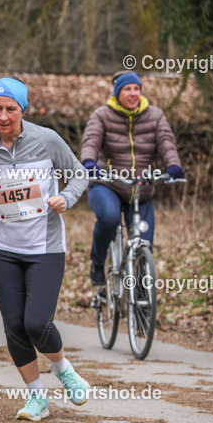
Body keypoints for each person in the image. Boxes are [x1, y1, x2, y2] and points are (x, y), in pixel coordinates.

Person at [0, 78, 91, 422]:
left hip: (45, 247)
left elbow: (79, 175)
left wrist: (64, 198)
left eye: (11, 108)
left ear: (22, 110)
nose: (4, 116)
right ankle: (37, 398)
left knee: (36, 322)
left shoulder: (47, 140)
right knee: (13, 326)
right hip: (3, 248)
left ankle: (64, 369)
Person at [81, 72, 184, 285]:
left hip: (141, 189)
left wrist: (174, 166)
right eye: (128, 89)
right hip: (107, 183)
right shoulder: (102, 115)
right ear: (118, 93)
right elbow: (91, 140)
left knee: (145, 245)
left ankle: (142, 307)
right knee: (109, 218)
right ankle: (98, 262)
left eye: (137, 89)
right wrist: (89, 163)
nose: (133, 93)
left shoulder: (155, 115)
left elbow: (166, 142)